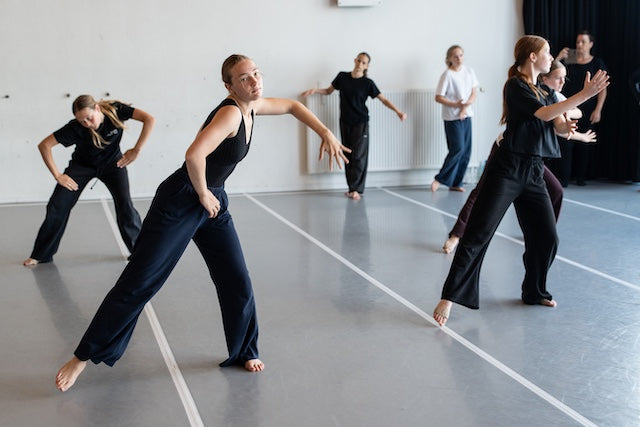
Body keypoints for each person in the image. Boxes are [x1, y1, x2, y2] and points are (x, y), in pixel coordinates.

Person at [55, 54, 351, 392]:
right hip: (182, 199)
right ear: (229, 86)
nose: (254, 81)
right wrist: (203, 194)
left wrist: (326, 132)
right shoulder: (230, 114)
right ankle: (81, 357)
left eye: (256, 73)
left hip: (213, 198)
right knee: (141, 280)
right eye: (244, 78)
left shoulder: (253, 106)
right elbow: (194, 155)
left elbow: (293, 107)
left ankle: (244, 351)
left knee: (236, 277)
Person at [433, 36, 609, 327]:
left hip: (534, 170)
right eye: (547, 52)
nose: (551, 57)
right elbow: (544, 113)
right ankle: (449, 297)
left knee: (547, 237)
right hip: (508, 168)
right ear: (532, 57)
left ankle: (534, 291)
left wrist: (567, 124)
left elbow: (557, 125)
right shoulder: (515, 86)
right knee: (478, 233)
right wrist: (584, 95)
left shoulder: (546, 90)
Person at [443, 60, 597, 254]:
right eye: (558, 78)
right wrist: (569, 106)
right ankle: (457, 234)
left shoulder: (554, 96)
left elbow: (575, 113)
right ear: (545, 78)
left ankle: (542, 232)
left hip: (531, 157)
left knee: (556, 190)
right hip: (507, 152)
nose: (562, 82)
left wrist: (570, 119)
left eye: (564, 78)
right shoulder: (527, 90)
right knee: (480, 193)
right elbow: (553, 115)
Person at [23, 95, 155, 266]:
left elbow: (149, 119)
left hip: (113, 164)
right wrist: (57, 175)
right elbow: (44, 145)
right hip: (82, 167)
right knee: (57, 205)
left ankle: (139, 252)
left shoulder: (116, 110)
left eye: (89, 118)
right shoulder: (75, 128)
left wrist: (136, 150)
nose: (86, 123)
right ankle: (41, 254)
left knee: (125, 205)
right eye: (81, 121)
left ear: (97, 109)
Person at [302, 52, 407, 200]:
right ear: (355, 60)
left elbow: (383, 99)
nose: (360, 64)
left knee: (358, 156)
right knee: (347, 155)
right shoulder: (342, 77)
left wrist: (398, 111)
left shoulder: (368, 83)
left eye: (364, 63)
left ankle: (357, 189)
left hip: (361, 123)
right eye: (359, 61)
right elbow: (328, 91)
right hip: (345, 121)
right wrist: (315, 90)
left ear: (367, 66)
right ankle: (351, 188)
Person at [556, 30, 607, 186]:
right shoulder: (570, 59)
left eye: (583, 42)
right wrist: (558, 58)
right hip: (568, 106)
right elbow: (552, 73)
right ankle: (564, 179)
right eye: (578, 42)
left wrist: (598, 109)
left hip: (588, 109)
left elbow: (602, 89)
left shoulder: (596, 62)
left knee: (585, 143)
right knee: (566, 141)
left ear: (590, 44)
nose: (579, 45)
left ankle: (581, 177)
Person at [431, 45, 479, 193]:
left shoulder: (469, 71)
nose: (459, 58)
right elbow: (438, 97)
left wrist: (465, 107)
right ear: (449, 58)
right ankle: (440, 179)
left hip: (466, 115)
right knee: (457, 148)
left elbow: (474, 92)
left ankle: (456, 183)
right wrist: (456, 105)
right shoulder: (447, 75)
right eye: (455, 56)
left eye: (461, 55)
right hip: (452, 117)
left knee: (466, 152)